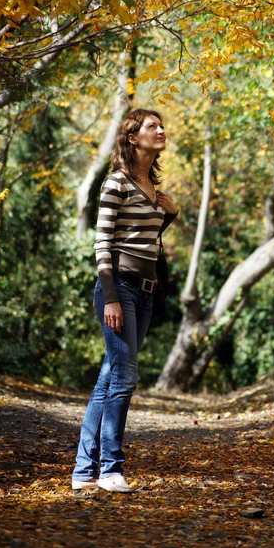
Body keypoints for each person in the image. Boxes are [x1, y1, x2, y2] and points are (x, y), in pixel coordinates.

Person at [72, 108, 179, 493]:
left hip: (147, 294)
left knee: (109, 379)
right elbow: (104, 244)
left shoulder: (152, 187)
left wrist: (168, 213)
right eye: (152, 126)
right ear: (133, 137)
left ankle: (84, 472)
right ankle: (110, 469)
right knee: (124, 379)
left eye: (161, 125)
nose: (161, 130)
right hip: (118, 290)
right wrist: (112, 299)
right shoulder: (115, 183)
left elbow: (143, 238)